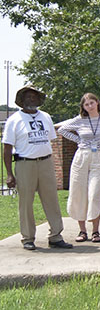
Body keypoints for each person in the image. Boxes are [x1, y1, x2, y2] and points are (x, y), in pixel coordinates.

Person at [2, 85, 72, 250]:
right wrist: (9, 174)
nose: (31, 99)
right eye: (28, 97)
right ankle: (28, 238)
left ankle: (55, 236)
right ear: (22, 100)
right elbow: (6, 148)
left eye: (34, 97)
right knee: (26, 202)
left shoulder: (46, 117)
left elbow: (50, 140)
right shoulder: (14, 120)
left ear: (39, 100)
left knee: (51, 200)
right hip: (25, 163)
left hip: (45, 163)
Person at [58, 93, 100, 243]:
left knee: (94, 194)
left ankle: (96, 230)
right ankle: (82, 231)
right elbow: (62, 130)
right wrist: (79, 140)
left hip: (99, 156)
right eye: (86, 104)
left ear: (97, 103)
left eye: (92, 102)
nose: (90, 106)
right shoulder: (79, 120)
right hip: (82, 156)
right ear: (83, 107)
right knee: (79, 193)